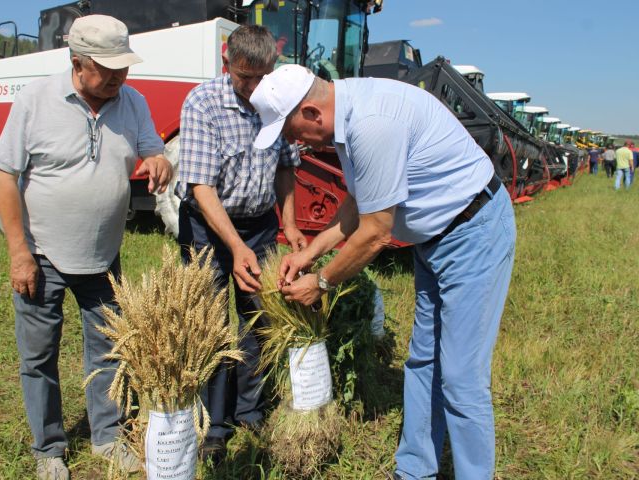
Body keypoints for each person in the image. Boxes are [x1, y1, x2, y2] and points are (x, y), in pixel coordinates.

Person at [250, 65, 516, 480]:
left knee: (462, 378)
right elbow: (360, 203)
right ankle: (414, 471)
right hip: (435, 241)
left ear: (312, 113)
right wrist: (311, 252)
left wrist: (320, 283)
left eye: (290, 130)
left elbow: (376, 233)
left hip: (472, 232)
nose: (291, 141)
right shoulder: (347, 111)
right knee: (424, 361)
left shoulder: (372, 124)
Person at [0, 15, 172, 480]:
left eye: (123, 69)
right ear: (77, 62)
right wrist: (19, 252)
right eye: (107, 70)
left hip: (103, 254)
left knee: (110, 352)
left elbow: (154, 151)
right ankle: (49, 448)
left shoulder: (132, 102)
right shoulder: (35, 100)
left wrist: (157, 163)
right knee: (38, 357)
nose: (118, 79)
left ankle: (108, 438)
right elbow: (5, 176)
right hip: (42, 254)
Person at [175, 25, 305, 461]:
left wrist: (288, 225)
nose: (251, 88)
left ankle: (250, 411)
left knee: (258, 320)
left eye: (260, 78)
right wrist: (234, 247)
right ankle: (216, 422)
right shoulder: (203, 102)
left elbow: (286, 166)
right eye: (242, 77)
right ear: (226, 62)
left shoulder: (278, 102)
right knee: (211, 322)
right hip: (209, 227)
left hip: (261, 225)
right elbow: (201, 187)